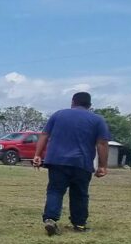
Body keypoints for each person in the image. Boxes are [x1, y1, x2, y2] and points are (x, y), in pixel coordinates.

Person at [34, 91, 111, 236]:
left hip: (57, 161)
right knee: (80, 194)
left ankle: (50, 218)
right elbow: (102, 143)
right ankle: (79, 224)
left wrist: (38, 155)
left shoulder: (58, 115)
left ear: (72, 102)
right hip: (81, 162)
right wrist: (102, 165)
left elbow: (44, 135)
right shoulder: (97, 120)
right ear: (89, 105)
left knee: (55, 190)